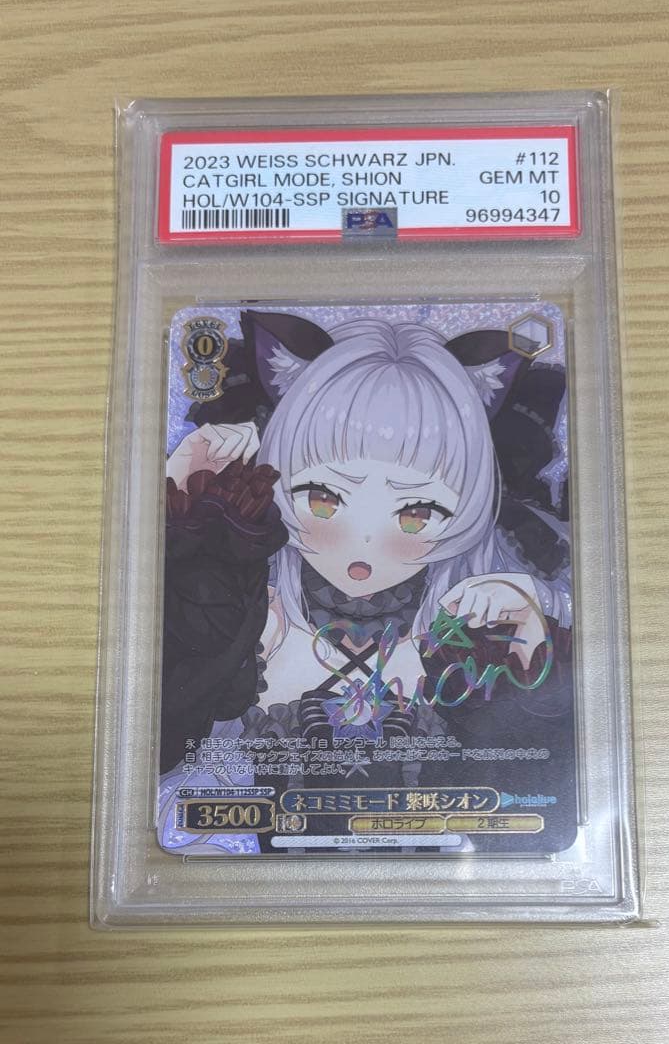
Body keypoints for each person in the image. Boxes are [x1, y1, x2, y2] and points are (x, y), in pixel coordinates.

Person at [160, 311, 575, 852]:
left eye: (415, 512)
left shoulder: (489, 604)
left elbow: (541, 815)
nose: (363, 547)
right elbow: (162, 753)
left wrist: (535, 644)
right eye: (324, 499)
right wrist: (177, 501)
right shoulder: (240, 597)